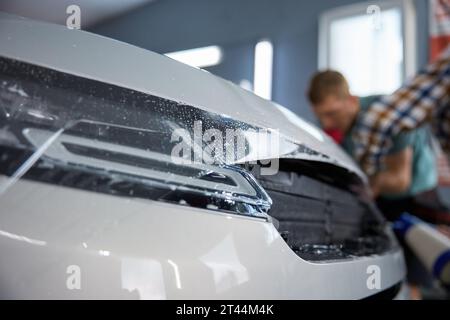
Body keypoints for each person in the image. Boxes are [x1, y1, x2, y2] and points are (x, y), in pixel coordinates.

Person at [306, 70, 447, 224]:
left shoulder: (388, 116)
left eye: (332, 114)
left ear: (352, 101)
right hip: (378, 195)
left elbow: (400, 180)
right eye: (320, 116)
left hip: (416, 197)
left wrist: (360, 183)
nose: (326, 124)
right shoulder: (334, 124)